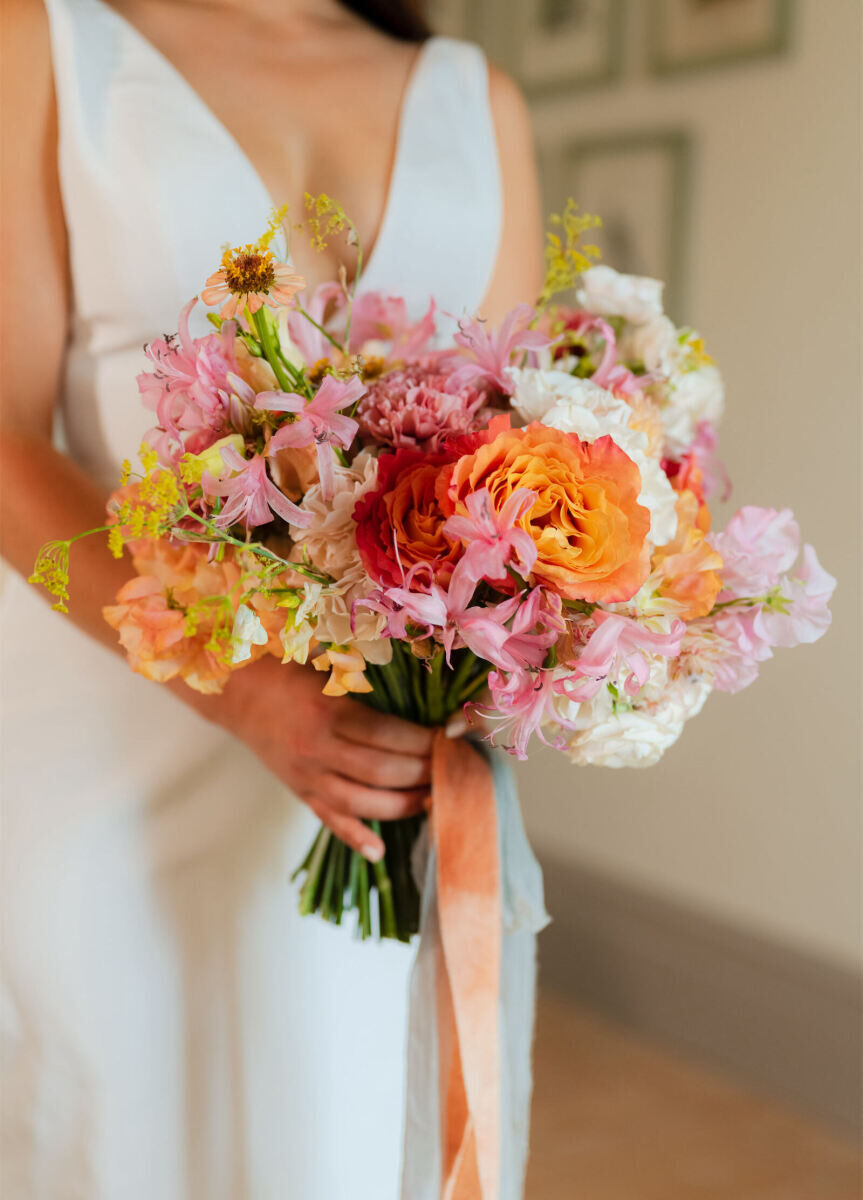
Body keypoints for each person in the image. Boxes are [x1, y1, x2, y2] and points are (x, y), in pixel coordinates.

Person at [0, 0, 542, 1194]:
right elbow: (0, 450)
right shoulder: (45, 39)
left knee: (337, 1129)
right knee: (110, 1121)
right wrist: (244, 694)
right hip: (104, 726)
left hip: (379, 745)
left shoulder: (471, 94)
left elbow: (511, 437)